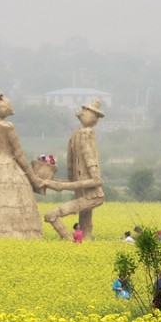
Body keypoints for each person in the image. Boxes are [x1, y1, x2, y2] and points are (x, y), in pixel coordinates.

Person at [0, 91, 50, 239]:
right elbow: (18, 153)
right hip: (9, 167)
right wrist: (33, 177)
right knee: (16, 203)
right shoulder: (7, 127)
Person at [39, 99, 107, 239]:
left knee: (52, 215)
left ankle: (70, 240)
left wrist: (58, 185)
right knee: (85, 227)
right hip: (83, 194)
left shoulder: (84, 134)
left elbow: (96, 179)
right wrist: (51, 183)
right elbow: (72, 172)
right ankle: (79, 244)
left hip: (92, 196)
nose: (94, 118)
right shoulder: (78, 135)